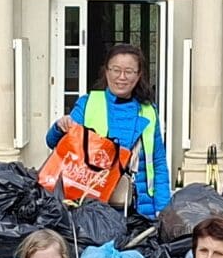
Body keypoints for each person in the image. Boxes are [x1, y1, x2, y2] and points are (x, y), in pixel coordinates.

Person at [48, 43, 172, 218]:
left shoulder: (149, 111)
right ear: (106, 72)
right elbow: (53, 142)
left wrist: (163, 210)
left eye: (129, 71)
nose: (122, 77)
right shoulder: (88, 104)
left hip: (141, 210)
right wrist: (59, 127)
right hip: (92, 209)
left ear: (139, 75)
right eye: (116, 70)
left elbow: (158, 163)